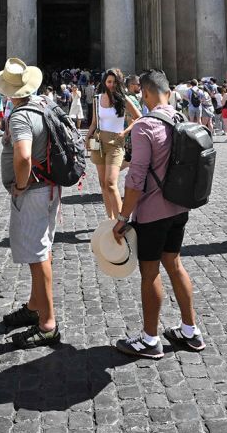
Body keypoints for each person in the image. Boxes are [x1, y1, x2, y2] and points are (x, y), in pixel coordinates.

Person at [111, 69, 204, 359]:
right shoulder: (180, 119)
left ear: (147, 93)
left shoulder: (144, 126)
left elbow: (136, 178)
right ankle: (191, 332)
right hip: (179, 206)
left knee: (149, 273)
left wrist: (123, 217)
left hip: (152, 212)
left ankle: (150, 339)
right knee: (175, 265)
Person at [0, 57, 61, 349]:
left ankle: (47, 324)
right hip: (49, 187)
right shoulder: (45, 105)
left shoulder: (20, 116)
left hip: (32, 190)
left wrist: (20, 185)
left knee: (37, 256)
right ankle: (35, 306)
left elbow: (23, 157)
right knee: (41, 249)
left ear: (9, 92)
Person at [84, 68, 142, 220]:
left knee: (110, 183)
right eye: (109, 81)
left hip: (116, 144)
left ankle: (121, 221)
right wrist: (87, 137)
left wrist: (125, 132)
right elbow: (94, 123)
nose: (111, 85)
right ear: (104, 82)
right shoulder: (97, 99)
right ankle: (110, 219)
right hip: (99, 143)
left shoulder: (124, 99)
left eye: (115, 82)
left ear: (119, 83)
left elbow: (139, 117)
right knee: (103, 184)